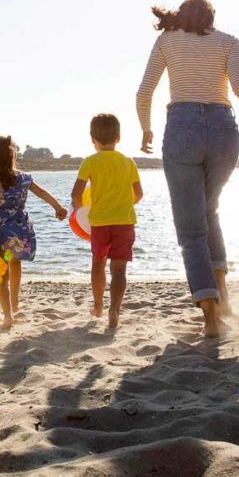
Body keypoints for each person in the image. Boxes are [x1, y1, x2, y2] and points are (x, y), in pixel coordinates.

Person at [135, 0, 239, 338]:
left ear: (181, 16)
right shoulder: (229, 42)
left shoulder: (167, 40)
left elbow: (144, 91)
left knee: (191, 229)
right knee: (210, 212)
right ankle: (223, 298)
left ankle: (210, 317)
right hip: (225, 132)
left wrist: (146, 128)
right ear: (211, 18)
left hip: (182, 130)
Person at [0, 136, 68, 330]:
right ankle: (15, 303)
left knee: (1, 272)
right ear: (12, 155)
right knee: (15, 263)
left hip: (1, 230)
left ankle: (7, 315)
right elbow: (42, 192)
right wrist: (57, 206)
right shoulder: (24, 177)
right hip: (20, 228)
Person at [71, 114, 143, 329]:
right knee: (119, 269)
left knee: (98, 263)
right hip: (124, 222)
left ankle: (98, 306)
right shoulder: (128, 162)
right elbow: (139, 194)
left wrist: (79, 210)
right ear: (118, 138)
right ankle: (115, 311)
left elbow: (76, 194)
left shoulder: (90, 161)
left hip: (99, 223)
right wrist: (123, 204)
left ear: (93, 139)